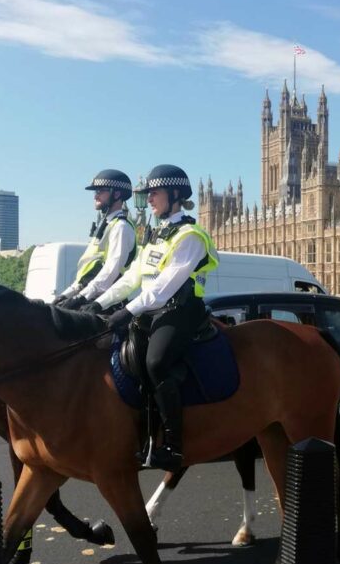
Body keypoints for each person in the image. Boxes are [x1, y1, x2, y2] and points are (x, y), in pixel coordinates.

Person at [90, 164, 219, 472]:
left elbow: (163, 289)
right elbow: (133, 278)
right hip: (151, 310)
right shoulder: (155, 235)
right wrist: (95, 303)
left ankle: (174, 446)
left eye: (154, 193)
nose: (149, 199)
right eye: (148, 194)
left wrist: (126, 311)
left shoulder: (190, 235)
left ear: (175, 195)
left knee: (155, 362)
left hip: (181, 311)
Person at [54, 170, 137, 309]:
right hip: (90, 297)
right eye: (95, 192)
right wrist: (66, 295)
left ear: (116, 194)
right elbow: (88, 274)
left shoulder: (121, 227)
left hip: (105, 304)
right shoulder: (106, 226)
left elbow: (112, 269)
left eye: (101, 191)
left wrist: (81, 296)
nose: (96, 196)